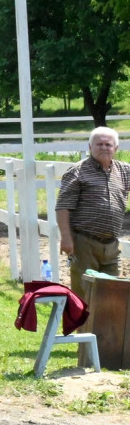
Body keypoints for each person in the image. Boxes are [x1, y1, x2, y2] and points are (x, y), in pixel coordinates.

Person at [56, 126, 130, 299]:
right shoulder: (77, 172)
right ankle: (83, 328)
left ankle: (103, 327)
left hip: (111, 245)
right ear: (90, 147)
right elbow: (63, 206)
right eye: (99, 144)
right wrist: (66, 238)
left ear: (116, 148)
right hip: (84, 243)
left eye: (108, 144)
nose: (104, 147)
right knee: (84, 294)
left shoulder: (124, 171)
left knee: (111, 295)